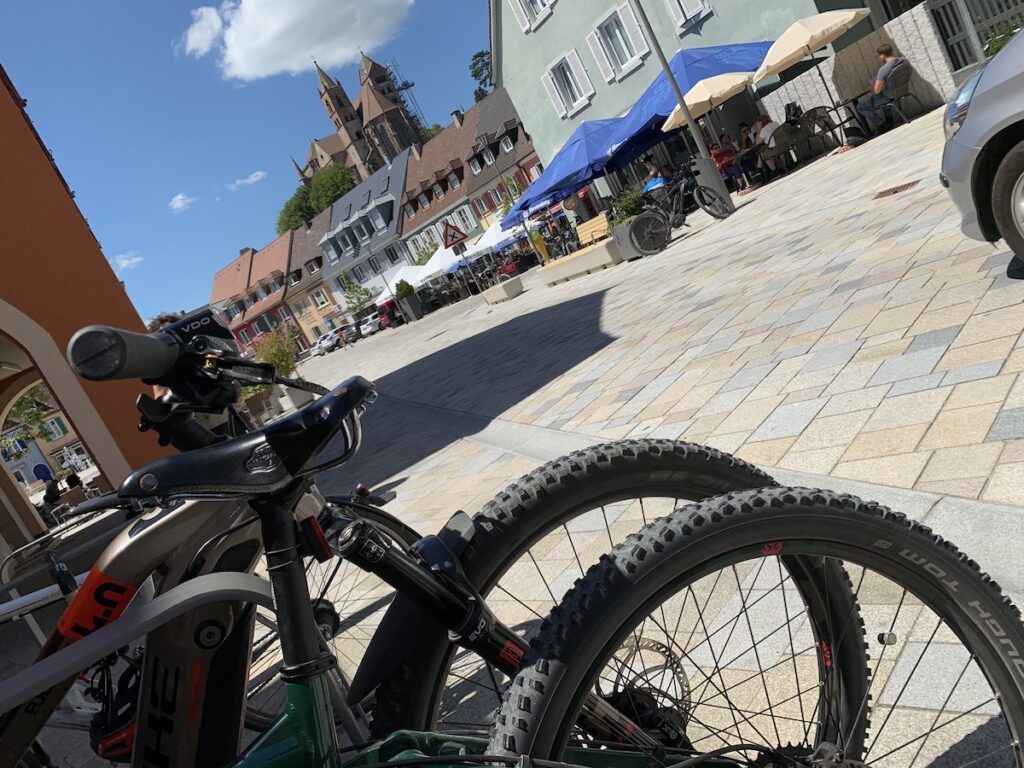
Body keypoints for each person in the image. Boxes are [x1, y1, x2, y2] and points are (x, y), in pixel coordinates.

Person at [857, 44, 905, 134]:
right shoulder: (902, 61)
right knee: (883, 96)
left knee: (861, 106)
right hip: (902, 90)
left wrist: (873, 88)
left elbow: (877, 90)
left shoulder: (884, 69)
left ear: (882, 55)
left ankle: (880, 124)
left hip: (890, 97)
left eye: (880, 56)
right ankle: (889, 121)